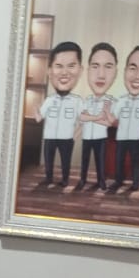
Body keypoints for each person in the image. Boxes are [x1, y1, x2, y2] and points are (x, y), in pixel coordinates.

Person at [107, 45, 139, 195]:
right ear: (125, 71)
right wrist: (106, 112)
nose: (138, 76)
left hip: (136, 139)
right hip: (121, 137)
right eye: (133, 68)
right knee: (119, 160)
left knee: (136, 162)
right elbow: (113, 119)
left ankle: (135, 184)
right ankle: (118, 181)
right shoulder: (121, 100)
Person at [36, 42, 84, 189]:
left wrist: (74, 135)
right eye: (59, 66)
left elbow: (84, 120)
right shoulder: (49, 100)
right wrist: (36, 109)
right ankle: (48, 178)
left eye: (71, 66)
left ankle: (65, 180)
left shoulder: (77, 101)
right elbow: (39, 118)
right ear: (50, 71)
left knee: (65, 160)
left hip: (66, 138)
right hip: (49, 136)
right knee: (48, 159)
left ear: (80, 70)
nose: (64, 73)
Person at [75, 42, 117, 191]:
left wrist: (93, 117)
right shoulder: (87, 100)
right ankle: (82, 180)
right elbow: (82, 119)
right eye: (95, 66)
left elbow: (110, 123)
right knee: (84, 161)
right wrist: (98, 117)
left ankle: (101, 181)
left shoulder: (111, 101)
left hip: (101, 138)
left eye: (108, 67)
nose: (101, 74)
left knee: (100, 161)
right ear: (88, 71)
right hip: (87, 137)